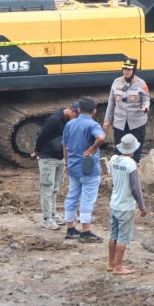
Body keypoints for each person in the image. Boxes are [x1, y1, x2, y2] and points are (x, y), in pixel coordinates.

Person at [63, 97, 106, 243]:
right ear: (94, 111)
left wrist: (66, 164)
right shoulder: (92, 124)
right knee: (87, 198)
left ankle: (70, 228)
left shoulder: (70, 123)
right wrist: (92, 148)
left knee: (72, 195)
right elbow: (100, 138)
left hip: (73, 165)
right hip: (88, 166)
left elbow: (65, 145)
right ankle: (86, 231)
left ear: (79, 110)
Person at [32, 102, 79, 230]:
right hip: (48, 157)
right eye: (76, 116)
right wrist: (37, 150)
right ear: (72, 111)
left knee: (55, 188)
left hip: (59, 157)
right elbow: (42, 135)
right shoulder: (54, 119)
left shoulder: (67, 120)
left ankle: (53, 214)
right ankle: (47, 219)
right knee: (47, 188)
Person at [107, 134, 148, 275]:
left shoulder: (114, 159)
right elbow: (135, 188)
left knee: (113, 235)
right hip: (125, 206)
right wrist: (142, 207)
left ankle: (111, 263)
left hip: (114, 203)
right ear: (133, 149)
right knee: (122, 238)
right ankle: (119, 266)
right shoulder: (131, 165)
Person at [103, 58, 150, 163]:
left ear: (134, 70)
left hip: (137, 122)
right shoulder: (116, 82)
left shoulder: (141, 83)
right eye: (124, 69)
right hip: (120, 122)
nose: (126, 72)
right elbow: (111, 102)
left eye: (129, 69)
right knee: (120, 147)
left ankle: (135, 168)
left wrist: (145, 107)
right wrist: (107, 120)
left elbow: (146, 99)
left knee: (136, 148)